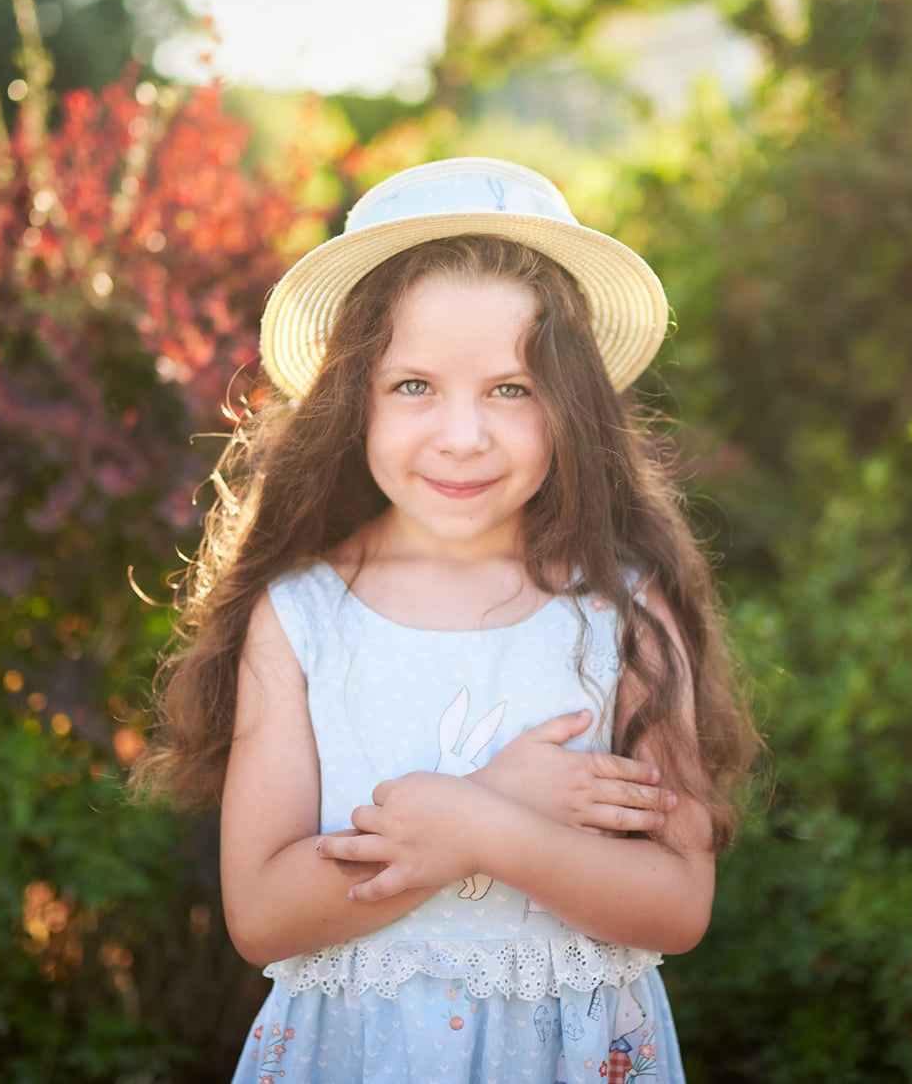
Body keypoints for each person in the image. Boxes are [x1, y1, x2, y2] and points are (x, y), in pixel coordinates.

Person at [143, 157, 757, 1082]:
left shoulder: (620, 611)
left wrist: (482, 828)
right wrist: (492, 793)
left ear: (569, 406)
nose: (462, 435)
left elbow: (676, 903)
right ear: (355, 398)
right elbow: (262, 914)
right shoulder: (304, 619)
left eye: (511, 388)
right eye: (414, 386)